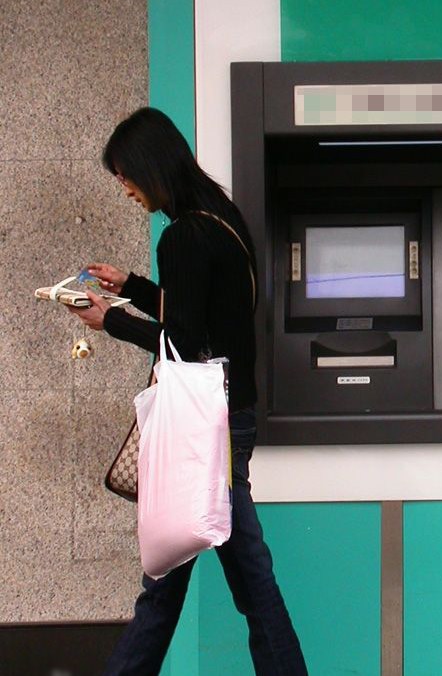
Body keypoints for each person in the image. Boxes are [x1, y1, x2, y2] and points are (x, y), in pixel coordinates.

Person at [68, 107, 308, 675]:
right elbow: (209, 318)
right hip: (228, 418)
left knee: (224, 586)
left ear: (150, 165)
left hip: (204, 433)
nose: (124, 188)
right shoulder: (220, 218)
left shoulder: (182, 237)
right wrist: (133, 287)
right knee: (202, 585)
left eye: (125, 175)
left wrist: (110, 320)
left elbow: (182, 341)